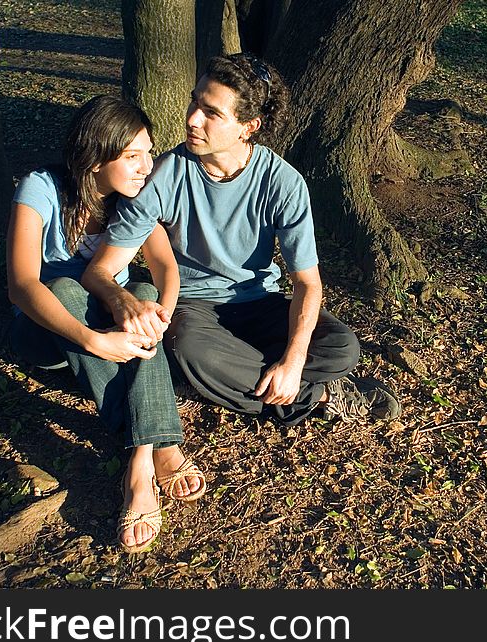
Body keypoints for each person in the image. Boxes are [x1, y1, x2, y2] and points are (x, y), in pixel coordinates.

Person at [83, 54, 400, 428]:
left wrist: (294, 360)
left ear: (248, 126)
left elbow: (307, 283)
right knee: (189, 347)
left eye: (211, 113)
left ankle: (233, 379)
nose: (191, 118)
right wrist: (122, 300)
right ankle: (320, 395)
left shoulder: (283, 182)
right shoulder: (163, 177)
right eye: (194, 101)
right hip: (194, 310)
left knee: (341, 346)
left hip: (260, 303)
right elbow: (100, 271)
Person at [6, 95, 206, 554]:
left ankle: (140, 459)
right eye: (132, 155)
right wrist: (94, 342)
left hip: (112, 330)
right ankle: (158, 445)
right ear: (95, 157)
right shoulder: (42, 187)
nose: (146, 166)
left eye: (149, 153)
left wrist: (160, 317)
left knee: (148, 297)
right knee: (66, 288)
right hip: (50, 335)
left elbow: (164, 269)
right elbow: (21, 286)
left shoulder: (132, 200)